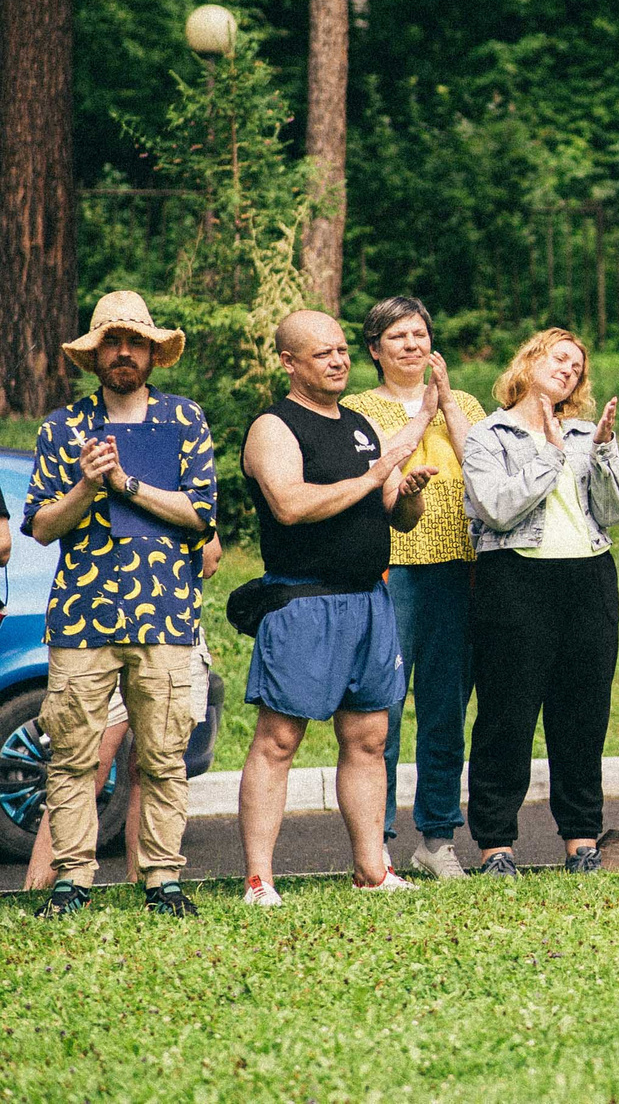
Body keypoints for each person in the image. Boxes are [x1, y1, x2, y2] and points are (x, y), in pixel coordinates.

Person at [19, 293, 219, 918]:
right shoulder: (62, 427)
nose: (125, 352)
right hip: (82, 616)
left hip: (165, 615)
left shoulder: (184, 420)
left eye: (136, 342)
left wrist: (126, 484)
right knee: (74, 756)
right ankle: (71, 881)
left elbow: (200, 514)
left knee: (163, 758)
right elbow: (42, 527)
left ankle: (163, 881)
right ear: (95, 355)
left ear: (154, 353)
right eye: (112, 342)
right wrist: (85, 484)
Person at [239, 310, 439, 904]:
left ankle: (371, 868)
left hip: (369, 600)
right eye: (322, 353)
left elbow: (394, 513)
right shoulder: (274, 427)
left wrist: (405, 494)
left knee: (370, 739)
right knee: (279, 740)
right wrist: (379, 471)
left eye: (343, 350)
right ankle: (259, 877)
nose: (338, 360)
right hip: (303, 600)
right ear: (289, 362)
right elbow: (291, 505)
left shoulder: (358, 426)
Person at [460, 326, 619, 875]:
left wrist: (604, 452)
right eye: (560, 358)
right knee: (506, 715)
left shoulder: (588, 433)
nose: (569, 370)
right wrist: (549, 456)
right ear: (530, 359)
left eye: (577, 367)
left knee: (583, 715)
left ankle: (582, 840)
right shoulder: (489, 435)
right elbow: (495, 507)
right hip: (515, 581)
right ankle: (496, 846)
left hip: (588, 581)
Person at [343, 297, 486, 881]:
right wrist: (421, 413)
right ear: (375, 350)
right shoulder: (355, 409)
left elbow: (483, 465)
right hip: (390, 569)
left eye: (419, 334)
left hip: (458, 565)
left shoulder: (467, 402)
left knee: (445, 705)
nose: (411, 345)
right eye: (397, 336)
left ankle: (436, 837)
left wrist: (446, 403)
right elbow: (377, 468)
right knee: (382, 709)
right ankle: (374, 840)